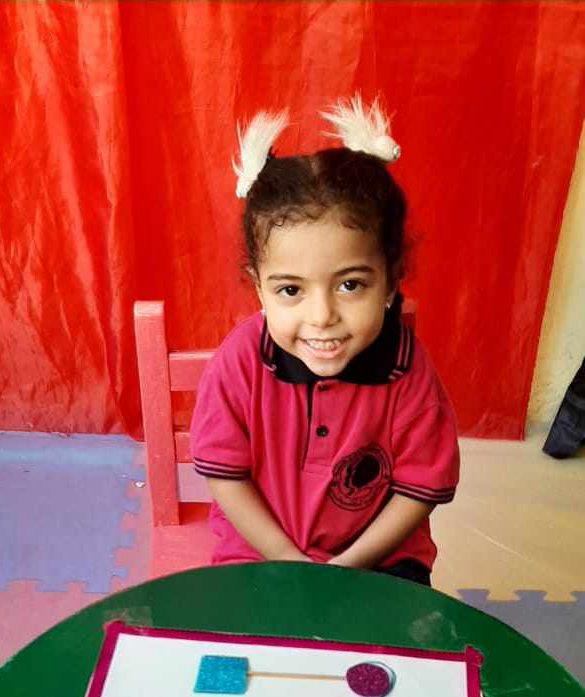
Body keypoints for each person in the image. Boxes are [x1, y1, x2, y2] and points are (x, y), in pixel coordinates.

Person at [191, 96, 459, 586]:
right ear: (259, 288)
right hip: (260, 553)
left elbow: (419, 489)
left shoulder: (408, 371)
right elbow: (225, 476)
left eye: (350, 285)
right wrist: (285, 558)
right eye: (290, 290)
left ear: (391, 279)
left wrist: (347, 568)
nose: (322, 318)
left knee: (403, 635)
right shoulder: (238, 363)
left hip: (378, 560)